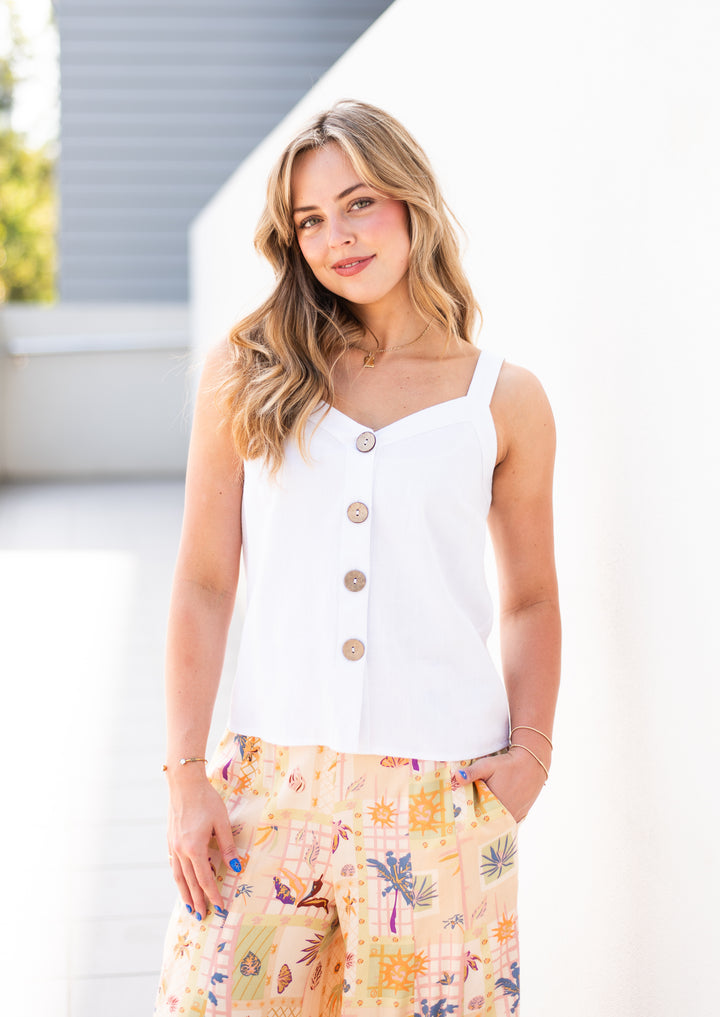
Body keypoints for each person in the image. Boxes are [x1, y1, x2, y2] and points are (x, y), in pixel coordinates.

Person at [154, 99, 560, 1017]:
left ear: (412, 202)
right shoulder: (249, 367)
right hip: (264, 787)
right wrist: (185, 777)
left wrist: (531, 751)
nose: (336, 236)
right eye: (309, 220)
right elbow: (204, 582)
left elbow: (532, 596)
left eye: (359, 202)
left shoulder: (504, 400)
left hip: (443, 800)